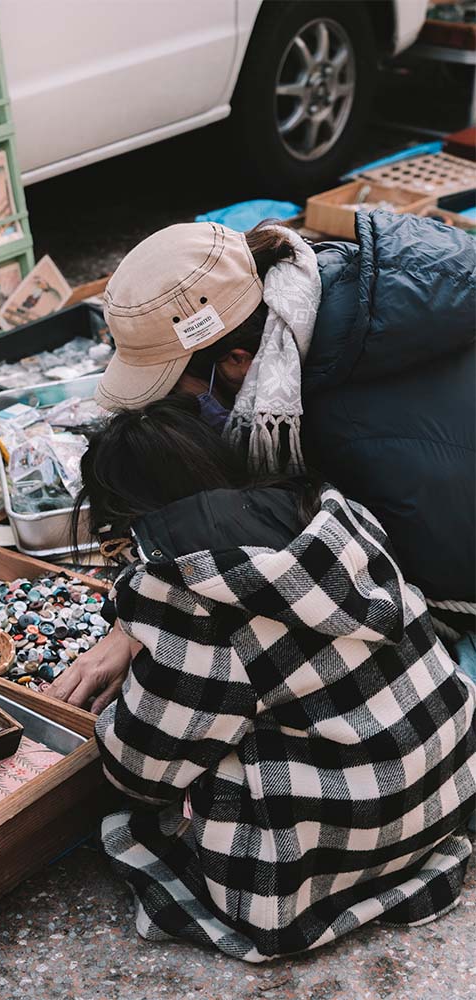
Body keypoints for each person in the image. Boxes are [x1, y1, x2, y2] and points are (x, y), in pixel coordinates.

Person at [76, 397, 476, 961]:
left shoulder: (186, 598)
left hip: (344, 835)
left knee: (141, 817)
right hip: (443, 790)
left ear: (125, 520)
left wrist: (127, 688)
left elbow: (143, 769)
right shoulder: (333, 514)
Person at [47, 211, 475, 711]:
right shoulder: (324, 295)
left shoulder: (337, 430)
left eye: (171, 392)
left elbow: (333, 581)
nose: (167, 414)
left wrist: (153, 618)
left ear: (236, 360)